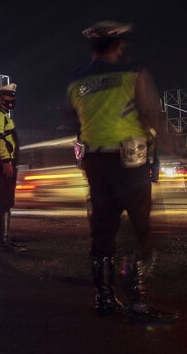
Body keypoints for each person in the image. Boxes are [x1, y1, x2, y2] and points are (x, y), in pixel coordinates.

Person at [66, 20, 177, 322]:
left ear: (92, 48)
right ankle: (137, 299)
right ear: (118, 45)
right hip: (130, 162)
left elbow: (73, 123)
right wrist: (175, 147)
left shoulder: (76, 82)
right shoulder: (133, 73)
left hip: (95, 163)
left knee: (102, 230)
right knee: (141, 228)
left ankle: (103, 298)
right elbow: (152, 112)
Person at [0, 83, 24, 251]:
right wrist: (6, 160)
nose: (11, 100)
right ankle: (3, 241)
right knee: (5, 199)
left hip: (1, 162)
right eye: (8, 96)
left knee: (0, 199)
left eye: (12, 97)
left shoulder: (3, 115)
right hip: (2, 163)